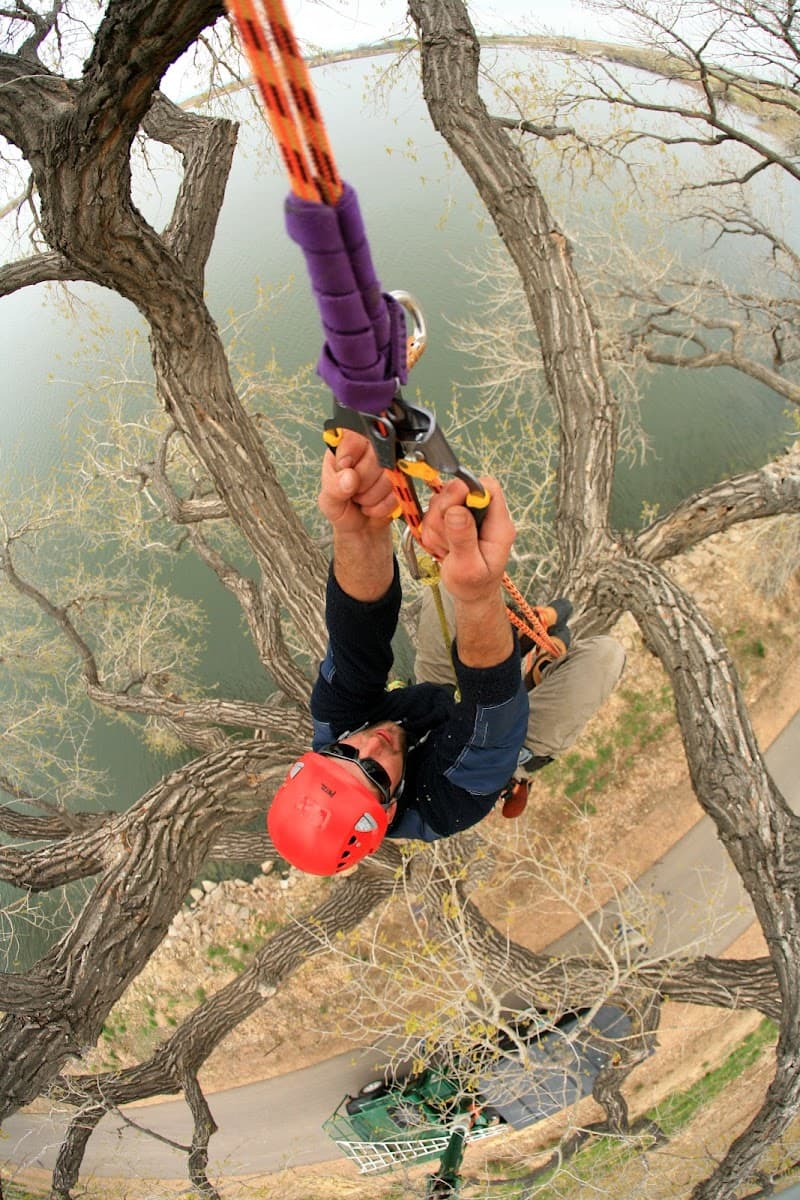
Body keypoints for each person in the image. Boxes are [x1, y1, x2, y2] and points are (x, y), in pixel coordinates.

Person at [268, 431, 625, 875]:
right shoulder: (444, 805)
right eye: (376, 775)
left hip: (435, 695)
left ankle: (522, 641)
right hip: (504, 743)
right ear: (391, 805)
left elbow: (356, 636)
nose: (369, 746)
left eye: (343, 754)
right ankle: (532, 662)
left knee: (448, 594)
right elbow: (491, 719)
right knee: (605, 656)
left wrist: (359, 529)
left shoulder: (336, 728)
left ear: (323, 753)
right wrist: (479, 596)